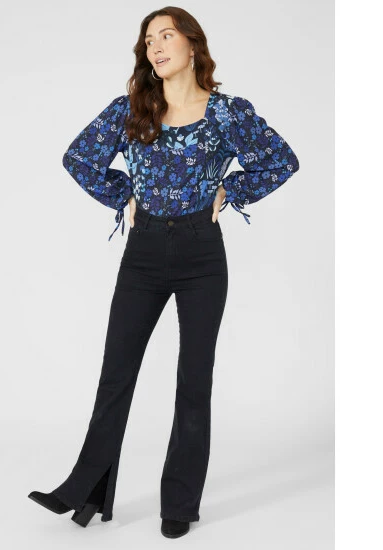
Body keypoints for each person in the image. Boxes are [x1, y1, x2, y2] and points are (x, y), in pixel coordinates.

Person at [28, 6, 299, 539]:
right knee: (116, 373)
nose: (154, 46)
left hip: (202, 254)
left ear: (192, 45)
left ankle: (179, 503)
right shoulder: (132, 109)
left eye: (166, 35)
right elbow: (79, 158)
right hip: (145, 251)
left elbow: (281, 160)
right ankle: (83, 489)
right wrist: (122, 194)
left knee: (193, 381)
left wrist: (232, 189)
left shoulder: (227, 113)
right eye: (148, 39)